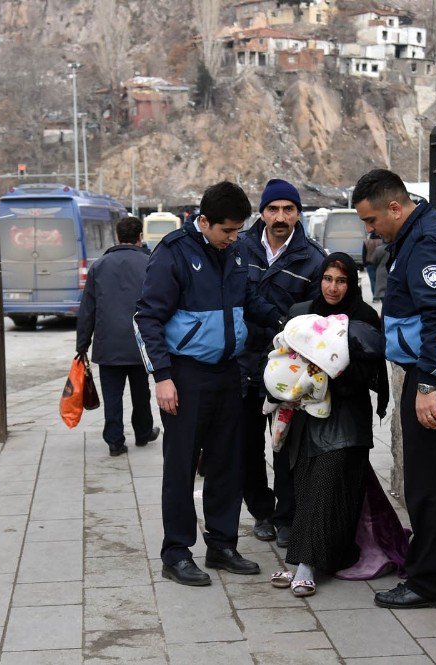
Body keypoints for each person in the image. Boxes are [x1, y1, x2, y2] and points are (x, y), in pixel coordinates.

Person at [135, 181, 280, 587]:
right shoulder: (174, 253)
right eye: (227, 231)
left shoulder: (233, 253)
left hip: (228, 372)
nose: (235, 238)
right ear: (203, 221)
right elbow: (146, 318)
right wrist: (162, 377)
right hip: (185, 375)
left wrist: (287, 323)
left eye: (238, 231)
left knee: (227, 462)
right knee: (181, 466)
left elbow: (249, 301)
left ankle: (222, 544)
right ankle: (176, 552)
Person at [352, 168, 436, 609]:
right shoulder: (423, 228)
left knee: (427, 485)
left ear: (395, 207)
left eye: (371, 221)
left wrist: (427, 382)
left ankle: (428, 582)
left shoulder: (425, 239)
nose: (369, 230)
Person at [267, 252, 389, 597]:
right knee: (308, 489)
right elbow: (280, 359)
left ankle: (305, 568)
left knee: (326, 486)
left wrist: (328, 368)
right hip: (305, 419)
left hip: (345, 420)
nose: (332, 287)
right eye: (327, 279)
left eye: (341, 280)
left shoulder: (363, 317)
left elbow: (368, 372)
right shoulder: (302, 314)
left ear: (351, 283)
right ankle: (324, 558)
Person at [237, 178, 325, 548]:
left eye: (288, 209)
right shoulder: (238, 249)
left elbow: (318, 317)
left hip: (291, 371)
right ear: (262, 212)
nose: (280, 216)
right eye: (273, 209)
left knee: (288, 445)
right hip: (243, 365)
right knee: (245, 445)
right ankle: (261, 511)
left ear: (298, 214)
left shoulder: (313, 258)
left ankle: (287, 514)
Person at [76, 216, 160, 457]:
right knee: (141, 391)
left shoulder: (99, 266)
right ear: (139, 237)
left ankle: (115, 441)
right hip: (140, 342)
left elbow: (87, 310)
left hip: (108, 344)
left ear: (117, 236)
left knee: (112, 395)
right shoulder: (149, 262)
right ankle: (143, 432)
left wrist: (82, 345)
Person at [362, 230, 384, 297]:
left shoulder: (366, 242)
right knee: (379, 280)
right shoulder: (382, 242)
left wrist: (364, 264)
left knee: (372, 280)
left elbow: (364, 253)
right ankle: (380, 294)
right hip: (380, 263)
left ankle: (375, 296)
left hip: (370, 263)